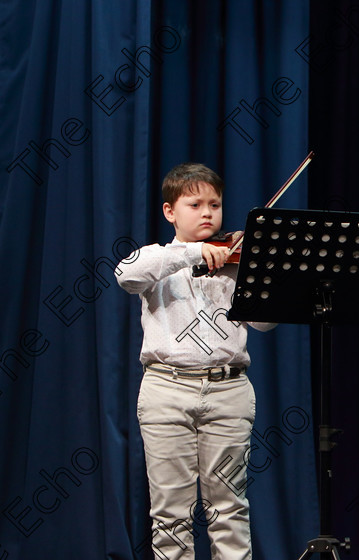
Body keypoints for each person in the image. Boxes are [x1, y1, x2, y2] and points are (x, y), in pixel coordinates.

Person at [117, 162, 275, 560]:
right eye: (195, 204)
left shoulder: (236, 259)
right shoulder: (158, 259)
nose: (207, 213)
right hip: (166, 389)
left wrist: (258, 271)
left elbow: (264, 324)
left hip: (228, 389)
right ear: (170, 211)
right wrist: (192, 254)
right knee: (171, 514)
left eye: (215, 204)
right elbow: (126, 275)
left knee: (230, 508)